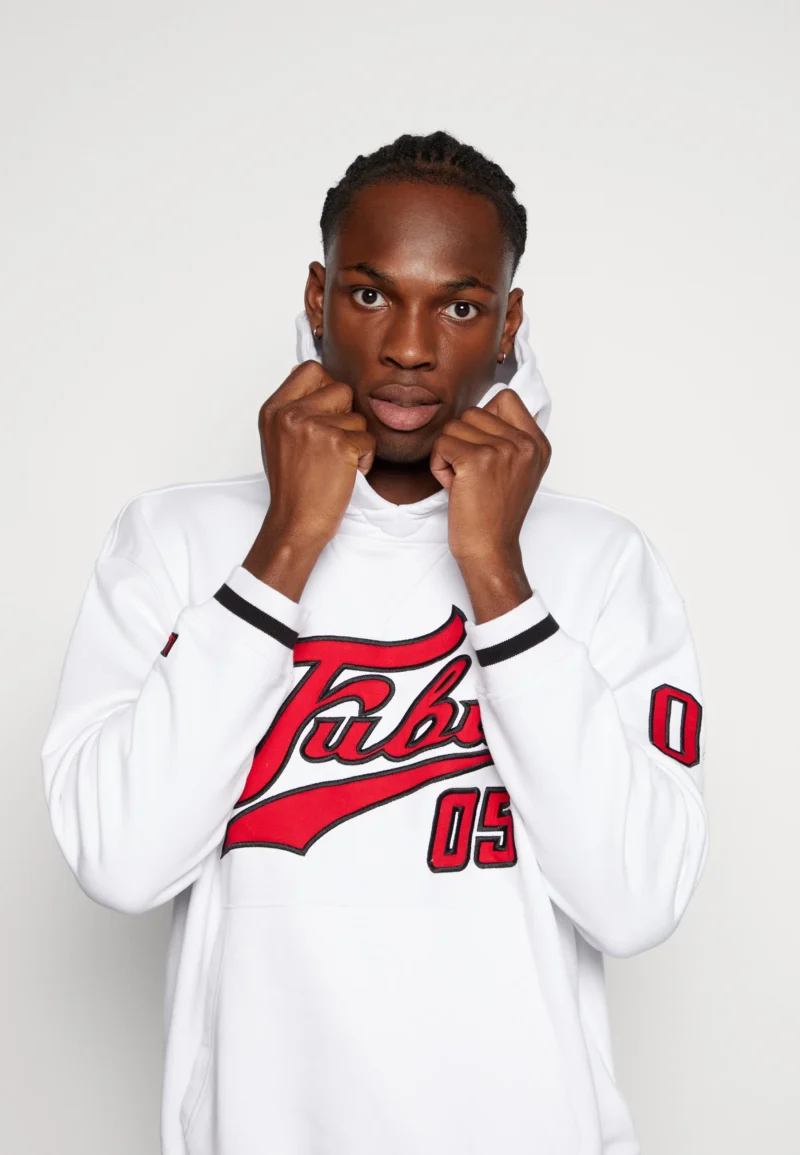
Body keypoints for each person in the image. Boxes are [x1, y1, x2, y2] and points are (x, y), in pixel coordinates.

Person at [41, 130, 708, 1155]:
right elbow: (123, 863)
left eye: (458, 306)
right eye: (368, 294)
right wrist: (286, 543)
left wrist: (496, 574)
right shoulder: (177, 541)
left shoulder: (601, 563)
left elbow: (635, 903)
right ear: (317, 298)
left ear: (508, 323)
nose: (408, 345)